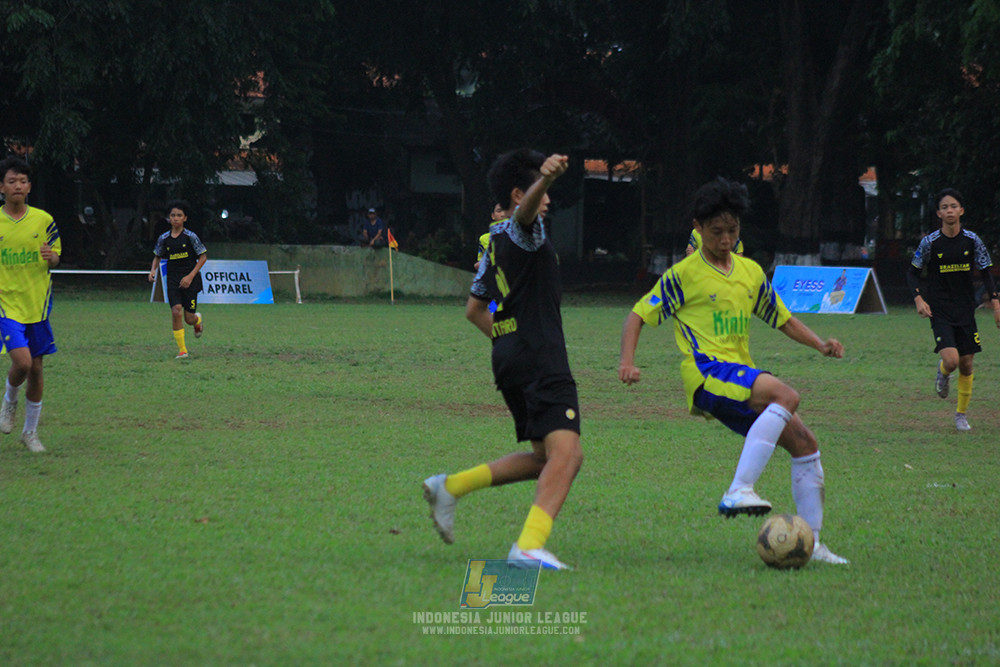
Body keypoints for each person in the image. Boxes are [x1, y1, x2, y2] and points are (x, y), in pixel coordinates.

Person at [618, 177, 848, 565]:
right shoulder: (684, 274)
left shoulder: (749, 271)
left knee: (806, 443)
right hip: (706, 373)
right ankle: (739, 488)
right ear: (698, 228)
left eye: (732, 231)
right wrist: (627, 362)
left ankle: (813, 544)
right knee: (786, 395)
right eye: (716, 232)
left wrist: (819, 343)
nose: (725, 239)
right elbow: (638, 315)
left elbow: (782, 318)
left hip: (740, 376)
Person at [423, 149, 583, 571]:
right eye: (539, 192)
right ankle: (529, 545)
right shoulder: (522, 230)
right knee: (568, 456)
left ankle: (450, 487)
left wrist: (510, 338)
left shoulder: (494, 241)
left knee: (546, 459)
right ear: (520, 192)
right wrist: (543, 182)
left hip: (510, 357)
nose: (547, 201)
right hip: (540, 358)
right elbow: (527, 214)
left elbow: (474, 310)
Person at [906, 188, 999, 431]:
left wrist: (996, 304)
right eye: (945, 207)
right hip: (940, 310)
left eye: (953, 206)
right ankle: (943, 371)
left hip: (966, 310)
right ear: (939, 213)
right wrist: (918, 299)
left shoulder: (972, 240)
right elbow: (912, 273)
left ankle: (961, 415)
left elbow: (987, 273)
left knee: (967, 364)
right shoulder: (929, 243)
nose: (949, 210)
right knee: (952, 360)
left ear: (961, 210)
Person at [0, 156, 62, 452]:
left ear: (29, 187)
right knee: (22, 361)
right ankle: (9, 402)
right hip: (6, 305)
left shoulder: (43, 220)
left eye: (22, 181)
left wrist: (53, 258)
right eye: (12, 181)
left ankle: (30, 432)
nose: (18, 186)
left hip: (37, 306)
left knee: (36, 369)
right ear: (1, 187)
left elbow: (57, 255)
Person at [148, 200, 206, 359]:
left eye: (179, 215)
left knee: (189, 318)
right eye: (173, 215)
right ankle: (182, 350)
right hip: (173, 279)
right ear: (169, 218)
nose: (175, 218)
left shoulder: (190, 237)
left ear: (185, 218)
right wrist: (153, 270)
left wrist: (190, 276)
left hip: (190, 279)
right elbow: (157, 256)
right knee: (176, 311)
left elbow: (203, 257)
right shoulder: (164, 238)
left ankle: (197, 320)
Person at [474, 202, 507, 271]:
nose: (503, 214)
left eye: (506, 210)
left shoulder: (518, 236)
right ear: (493, 216)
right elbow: (479, 263)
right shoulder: (484, 239)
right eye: (499, 211)